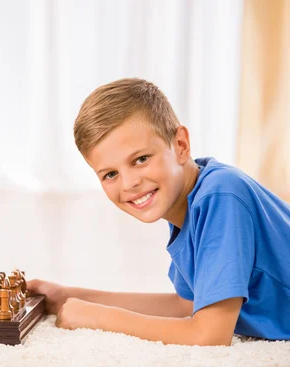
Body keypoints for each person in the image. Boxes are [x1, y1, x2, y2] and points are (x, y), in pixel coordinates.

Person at [28, 78, 290, 345]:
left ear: (180, 145)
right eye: (110, 174)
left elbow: (209, 334)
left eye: (141, 159)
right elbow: (186, 305)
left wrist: (98, 317)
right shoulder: (186, 202)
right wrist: (67, 296)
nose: (129, 183)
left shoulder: (220, 195)